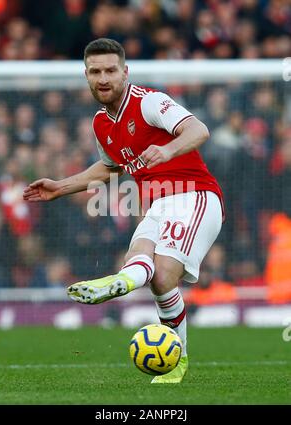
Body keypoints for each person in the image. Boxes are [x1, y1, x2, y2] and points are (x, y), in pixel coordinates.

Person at [23, 38, 224, 384]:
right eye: (95, 71)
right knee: (147, 268)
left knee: (163, 275)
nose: (103, 78)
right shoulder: (101, 124)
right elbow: (110, 168)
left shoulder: (150, 102)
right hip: (157, 203)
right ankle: (128, 295)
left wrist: (168, 150)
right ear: (86, 75)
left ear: (125, 72)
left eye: (111, 70)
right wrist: (60, 187)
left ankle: (127, 289)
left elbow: (198, 129)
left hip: (194, 195)